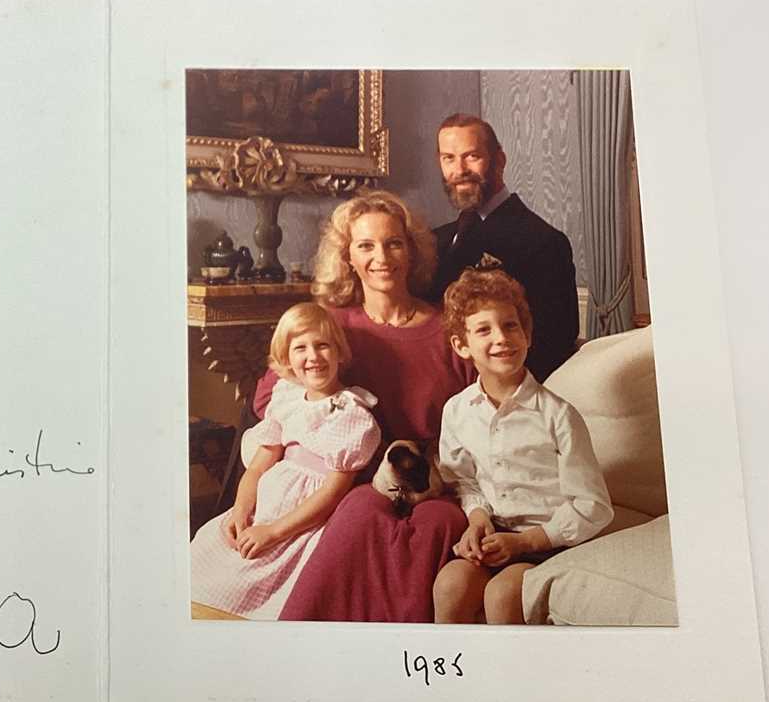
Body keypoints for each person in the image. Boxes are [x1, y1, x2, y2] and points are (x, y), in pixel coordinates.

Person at [253, 190, 476, 623]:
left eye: (394, 243)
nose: (381, 257)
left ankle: (407, 648)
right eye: (366, 246)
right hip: (355, 479)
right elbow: (270, 398)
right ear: (348, 258)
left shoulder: (447, 327)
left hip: (438, 477)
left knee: (439, 523)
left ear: (411, 251)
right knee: (358, 513)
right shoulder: (332, 325)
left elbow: (481, 408)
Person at [432, 268, 613, 624]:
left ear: (527, 335)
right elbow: (464, 481)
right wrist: (478, 518)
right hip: (495, 535)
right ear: (461, 345)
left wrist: (527, 542)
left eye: (510, 326)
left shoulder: (558, 415)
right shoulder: (456, 411)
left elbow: (593, 506)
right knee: (450, 584)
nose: (501, 338)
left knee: (502, 594)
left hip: (549, 540)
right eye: (484, 330)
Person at [191, 303, 380, 619]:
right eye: (300, 348)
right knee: (207, 552)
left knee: (262, 579)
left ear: (339, 353)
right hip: (264, 508)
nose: (313, 356)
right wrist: (241, 510)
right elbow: (257, 467)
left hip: (301, 523)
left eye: (322, 345)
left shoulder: (352, 416)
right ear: (287, 359)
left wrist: (274, 532)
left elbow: (332, 492)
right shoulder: (288, 399)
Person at [430, 114, 579, 381]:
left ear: (499, 160)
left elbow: (554, 346)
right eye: (448, 158)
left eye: (472, 156)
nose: (459, 170)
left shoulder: (543, 242)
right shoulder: (434, 241)